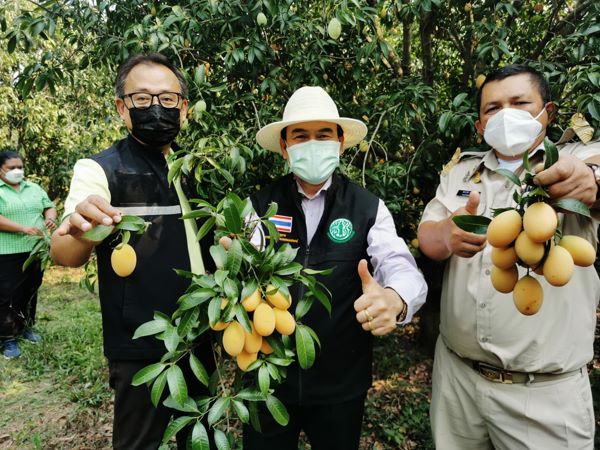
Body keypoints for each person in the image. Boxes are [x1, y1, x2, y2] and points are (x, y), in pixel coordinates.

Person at [418, 65, 600, 449]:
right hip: (458, 381)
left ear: (547, 112)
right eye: (492, 109)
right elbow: (428, 238)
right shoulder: (461, 172)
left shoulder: (574, 159)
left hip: (545, 395)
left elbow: (591, 177)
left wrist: (592, 183)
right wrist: (447, 236)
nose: (505, 115)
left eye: (519, 103)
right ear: (481, 126)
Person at [243, 86, 428, 450]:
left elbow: (399, 265)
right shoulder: (259, 205)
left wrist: (395, 299)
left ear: (340, 143)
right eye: (301, 136)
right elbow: (242, 276)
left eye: (323, 134)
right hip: (266, 381)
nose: (313, 143)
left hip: (340, 385)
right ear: (285, 146)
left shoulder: (366, 207)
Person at [50, 53, 213, 449]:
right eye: (142, 99)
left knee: (200, 437)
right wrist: (80, 228)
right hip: (141, 341)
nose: (156, 107)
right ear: (122, 108)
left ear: (184, 108)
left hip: (198, 333)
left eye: (167, 98)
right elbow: (64, 252)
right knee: (140, 442)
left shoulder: (194, 169)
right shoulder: (100, 169)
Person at [0, 150, 56, 359]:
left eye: (20, 167)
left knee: (30, 289)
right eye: (11, 168)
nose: (17, 171)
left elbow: (48, 206)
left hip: (35, 249)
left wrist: (50, 218)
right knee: (7, 295)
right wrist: (23, 229)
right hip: (6, 252)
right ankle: (7, 338)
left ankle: (26, 327)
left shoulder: (33, 188)